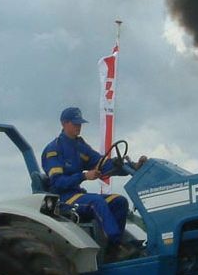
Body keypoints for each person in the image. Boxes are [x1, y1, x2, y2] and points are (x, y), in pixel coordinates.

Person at [41, 107, 147, 262]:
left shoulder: (80, 146)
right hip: (63, 198)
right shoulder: (54, 150)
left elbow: (102, 164)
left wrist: (131, 166)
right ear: (64, 123)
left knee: (119, 201)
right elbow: (58, 182)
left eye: (80, 123)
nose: (78, 126)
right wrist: (84, 176)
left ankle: (112, 250)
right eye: (75, 123)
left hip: (78, 195)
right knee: (96, 202)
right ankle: (116, 245)